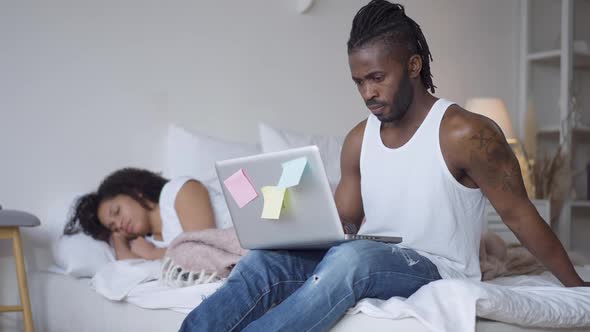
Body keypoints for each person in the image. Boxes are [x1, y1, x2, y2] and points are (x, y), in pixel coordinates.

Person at [180, 1, 589, 331]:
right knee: (262, 262)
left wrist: (576, 288)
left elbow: (521, 216)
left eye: (377, 77)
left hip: (437, 269)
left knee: (352, 260)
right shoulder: (359, 139)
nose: (368, 92)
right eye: (359, 82)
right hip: (370, 256)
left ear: (413, 66)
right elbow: (345, 223)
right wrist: (287, 225)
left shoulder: (467, 133)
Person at [64, 168, 216, 260]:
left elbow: (203, 252)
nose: (119, 225)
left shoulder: (179, 190)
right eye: (114, 228)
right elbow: (128, 268)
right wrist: (119, 241)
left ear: (135, 192)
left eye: (116, 212)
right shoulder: (151, 242)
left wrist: (153, 253)